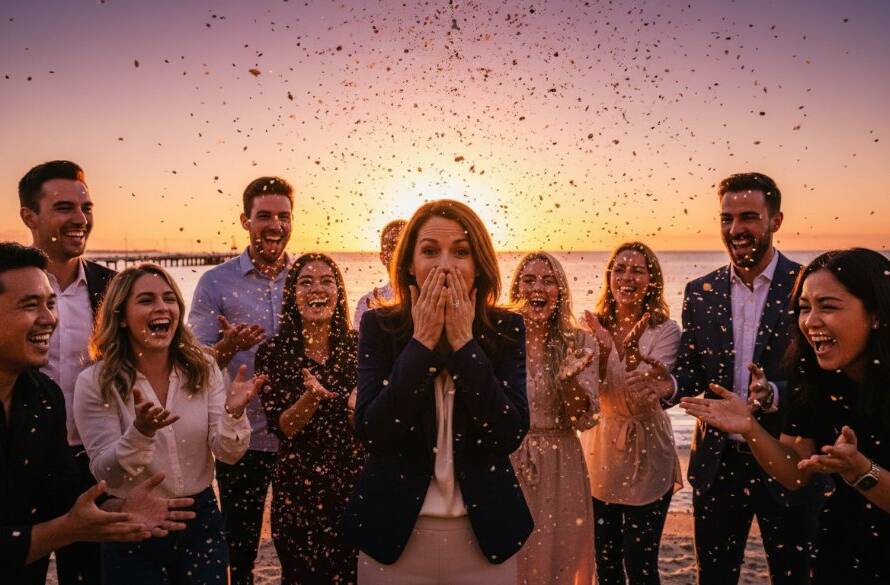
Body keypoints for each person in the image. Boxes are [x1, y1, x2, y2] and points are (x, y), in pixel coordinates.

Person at [629, 173, 823, 585]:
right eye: (726, 218)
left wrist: (772, 394)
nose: (735, 230)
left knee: (795, 577)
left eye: (749, 217)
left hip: (789, 454)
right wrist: (671, 386)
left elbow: (823, 376)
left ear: (776, 220)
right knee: (714, 576)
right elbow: (694, 369)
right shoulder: (701, 290)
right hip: (718, 465)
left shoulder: (806, 285)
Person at [344, 199, 533, 584]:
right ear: (409, 264)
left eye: (461, 252)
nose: (445, 265)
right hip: (393, 533)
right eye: (430, 251)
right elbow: (374, 431)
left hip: (484, 535)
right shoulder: (379, 327)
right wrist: (422, 343)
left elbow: (508, 432)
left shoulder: (505, 329)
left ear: (479, 265)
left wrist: (465, 345)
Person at [680, 248, 890, 584]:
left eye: (829, 306)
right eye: (805, 308)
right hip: (838, 549)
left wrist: (861, 471)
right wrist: (750, 428)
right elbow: (794, 472)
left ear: (877, 313)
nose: (810, 321)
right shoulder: (814, 378)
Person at [0, 243, 195, 585]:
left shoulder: (43, 397)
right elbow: (63, 523)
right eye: (30, 305)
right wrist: (68, 529)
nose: (50, 319)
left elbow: (61, 501)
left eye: (50, 303)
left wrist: (116, 510)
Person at [73, 264, 264, 584]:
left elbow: (228, 454)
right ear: (121, 316)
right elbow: (106, 472)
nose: (162, 308)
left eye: (168, 298)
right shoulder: (95, 382)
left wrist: (232, 413)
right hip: (132, 522)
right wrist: (141, 433)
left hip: (199, 518)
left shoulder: (202, 366)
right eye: (146, 300)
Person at [188, 176, 294, 585]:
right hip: (240, 434)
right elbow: (194, 361)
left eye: (283, 216)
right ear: (245, 221)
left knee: (299, 542)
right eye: (264, 215)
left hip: (296, 433)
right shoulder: (215, 282)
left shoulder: (306, 276)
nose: (275, 225)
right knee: (240, 544)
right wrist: (227, 349)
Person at [18, 160, 116, 584]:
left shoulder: (111, 288)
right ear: (29, 216)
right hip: (16, 458)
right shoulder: (7, 286)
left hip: (88, 460)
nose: (79, 219)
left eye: (86, 207)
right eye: (63, 207)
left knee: (92, 575)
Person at [256, 253, 364, 584]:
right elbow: (285, 426)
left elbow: (371, 426)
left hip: (353, 484)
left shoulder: (359, 347)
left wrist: (356, 410)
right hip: (297, 493)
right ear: (292, 295)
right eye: (305, 282)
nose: (317, 288)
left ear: (338, 292)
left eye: (326, 281)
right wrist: (312, 397)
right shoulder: (274, 352)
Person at [579, 242, 682, 585]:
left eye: (638, 270)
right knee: (605, 561)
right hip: (601, 450)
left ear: (652, 280)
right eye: (620, 269)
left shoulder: (665, 330)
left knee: (640, 562)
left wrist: (628, 353)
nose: (628, 276)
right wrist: (604, 349)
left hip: (647, 447)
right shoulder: (592, 329)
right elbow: (591, 394)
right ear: (609, 277)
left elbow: (645, 394)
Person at [507, 252, 599, 585]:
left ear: (560, 291)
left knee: (561, 556)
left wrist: (568, 380)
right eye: (529, 280)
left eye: (548, 280)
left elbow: (581, 419)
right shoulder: (502, 341)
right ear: (517, 289)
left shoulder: (579, 342)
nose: (538, 287)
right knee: (512, 557)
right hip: (509, 461)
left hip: (562, 465)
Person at [353, 219, 407, 327]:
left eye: (405, 246)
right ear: (383, 258)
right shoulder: (368, 302)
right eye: (393, 247)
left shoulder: (434, 298)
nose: (399, 253)